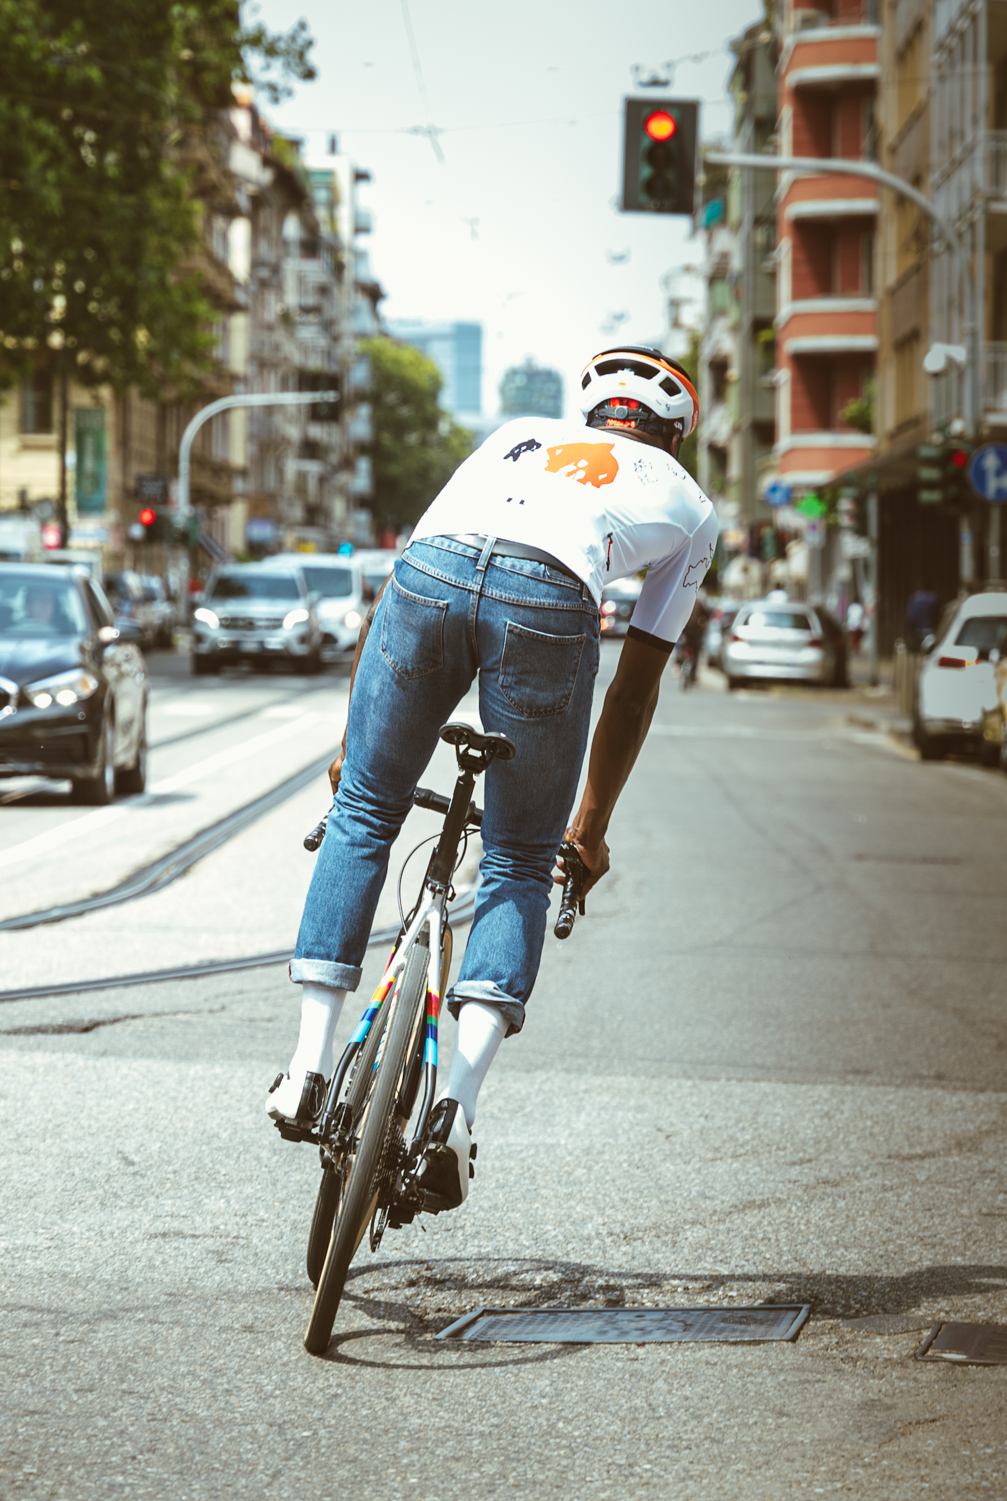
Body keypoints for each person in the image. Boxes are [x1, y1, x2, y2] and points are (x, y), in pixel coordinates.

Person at [267, 344, 718, 1214]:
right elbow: (635, 684)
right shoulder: (690, 508)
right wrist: (589, 827)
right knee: (517, 857)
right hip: (548, 601)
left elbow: (413, 561)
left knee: (365, 809)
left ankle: (307, 1069)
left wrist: (355, 743)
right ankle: (454, 1114)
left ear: (589, 413)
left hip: (428, 578)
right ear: (674, 436)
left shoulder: (516, 434)